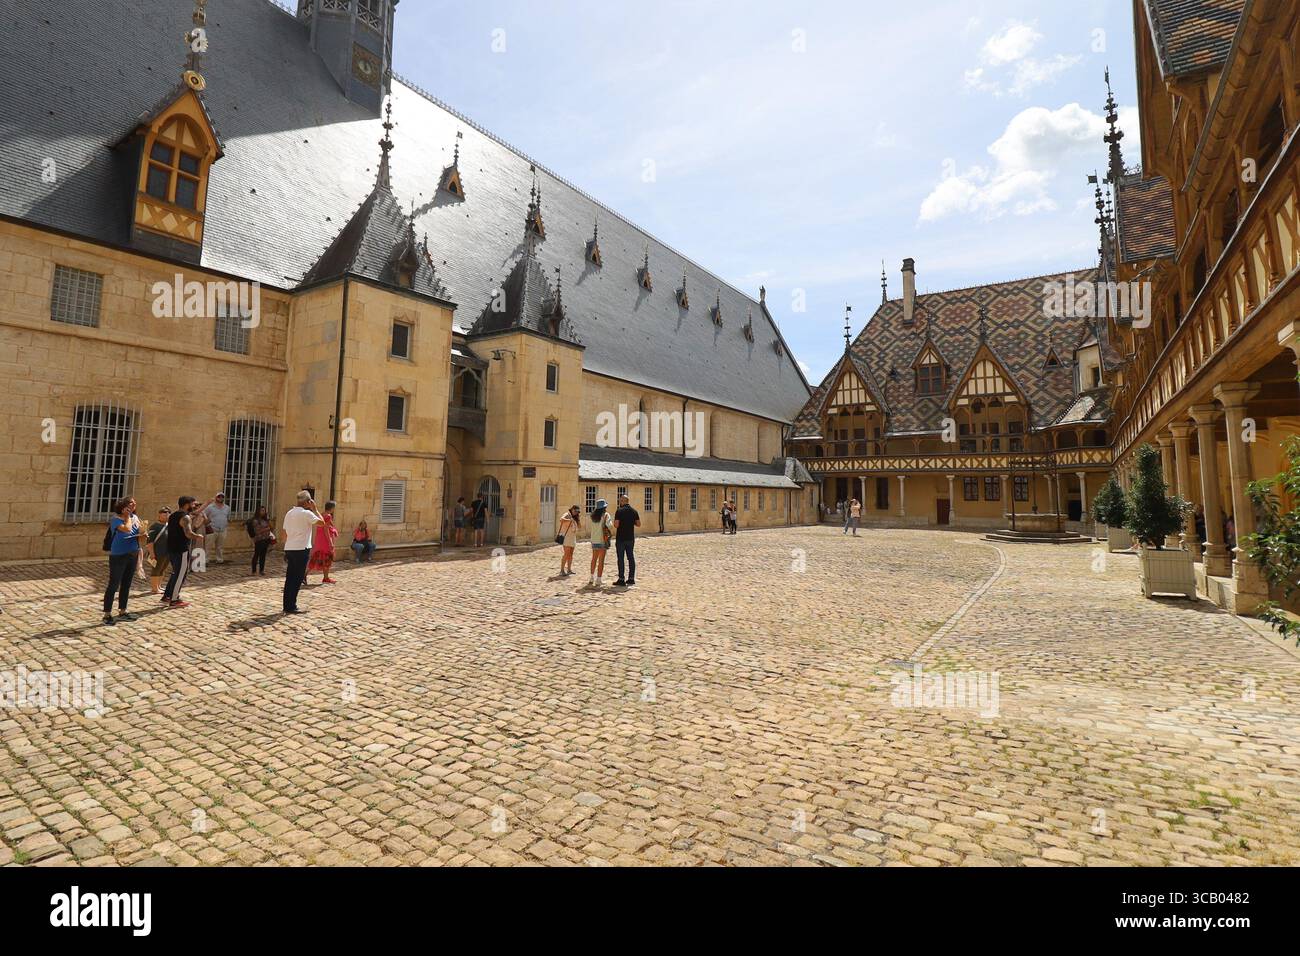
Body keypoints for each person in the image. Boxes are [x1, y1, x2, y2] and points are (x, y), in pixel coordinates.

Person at [162, 495, 209, 608]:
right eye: (193, 504)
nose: (194, 506)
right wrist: (198, 536)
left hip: (171, 548)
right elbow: (188, 533)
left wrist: (206, 504)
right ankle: (174, 599)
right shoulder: (185, 518)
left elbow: (195, 513)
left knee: (175, 572)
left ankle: (167, 595)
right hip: (181, 549)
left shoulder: (173, 515)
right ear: (187, 505)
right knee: (181, 574)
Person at [102, 496, 143, 625]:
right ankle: (107, 614)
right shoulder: (116, 519)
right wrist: (127, 517)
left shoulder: (135, 518)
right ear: (123, 506)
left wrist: (143, 534)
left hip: (132, 553)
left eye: (134, 504)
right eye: (130, 504)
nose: (133, 506)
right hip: (119, 555)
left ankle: (122, 611)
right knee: (114, 584)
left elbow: (136, 532)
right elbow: (127, 529)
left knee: (126, 584)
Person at [282, 491, 324, 614]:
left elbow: (284, 533)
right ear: (308, 502)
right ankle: (291, 606)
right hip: (301, 548)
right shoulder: (307, 514)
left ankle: (287, 604)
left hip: (290, 547)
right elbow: (322, 523)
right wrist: (315, 509)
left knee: (290, 577)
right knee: (298, 577)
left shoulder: (289, 513)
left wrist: (286, 547)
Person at [308, 500, 340, 584]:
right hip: (324, 540)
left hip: (319, 538)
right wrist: (330, 542)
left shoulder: (322, 514)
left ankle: (325, 577)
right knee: (327, 557)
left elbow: (327, 525)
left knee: (317, 557)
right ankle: (325, 578)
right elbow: (326, 529)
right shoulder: (328, 516)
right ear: (332, 508)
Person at [613, 493, 640, 587]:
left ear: (623, 501)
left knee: (621, 558)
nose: (620, 502)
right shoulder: (634, 511)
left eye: (620, 500)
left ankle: (621, 579)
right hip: (630, 538)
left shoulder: (619, 511)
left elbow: (616, 525)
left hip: (621, 538)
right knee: (630, 557)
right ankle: (631, 578)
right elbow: (638, 524)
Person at [588, 498, 614, 587]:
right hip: (602, 539)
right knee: (601, 560)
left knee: (594, 559)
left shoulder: (593, 516)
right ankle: (598, 579)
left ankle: (591, 577)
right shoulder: (606, 515)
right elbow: (610, 526)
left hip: (594, 540)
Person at [145, 506, 171, 594]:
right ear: (159, 516)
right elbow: (150, 542)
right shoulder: (155, 526)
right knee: (156, 570)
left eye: (168, 514)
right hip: (158, 552)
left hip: (167, 552)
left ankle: (159, 586)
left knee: (162, 569)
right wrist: (152, 553)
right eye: (164, 514)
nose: (166, 515)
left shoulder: (169, 526)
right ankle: (154, 588)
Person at [246, 505, 274, 576]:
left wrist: (268, 521)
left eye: (264, 510)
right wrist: (267, 529)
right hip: (259, 540)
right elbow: (258, 531)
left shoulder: (265, 520)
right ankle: (254, 571)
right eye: (262, 510)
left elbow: (272, 527)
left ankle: (261, 570)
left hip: (266, 539)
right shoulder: (255, 521)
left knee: (263, 555)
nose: (263, 512)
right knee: (256, 554)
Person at [203, 493, 231, 563]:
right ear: (216, 497)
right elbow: (204, 515)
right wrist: (207, 522)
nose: (220, 498)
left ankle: (219, 559)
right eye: (219, 497)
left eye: (222, 497)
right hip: (212, 529)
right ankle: (206, 559)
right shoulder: (210, 507)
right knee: (208, 546)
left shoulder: (227, 508)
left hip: (223, 529)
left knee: (220, 546)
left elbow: (228, 517)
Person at [557, 505, 580, 576]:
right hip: (566, 537)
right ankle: (561, 570)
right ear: (572, 509)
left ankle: (569, 569)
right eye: (575, 511)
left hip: (572, 537)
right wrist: (570, 520)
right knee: (566, 554)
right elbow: (561, 520)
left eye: (577, 512)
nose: (576, 513)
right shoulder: (567, 514)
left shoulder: (575, 517)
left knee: (571, 554)